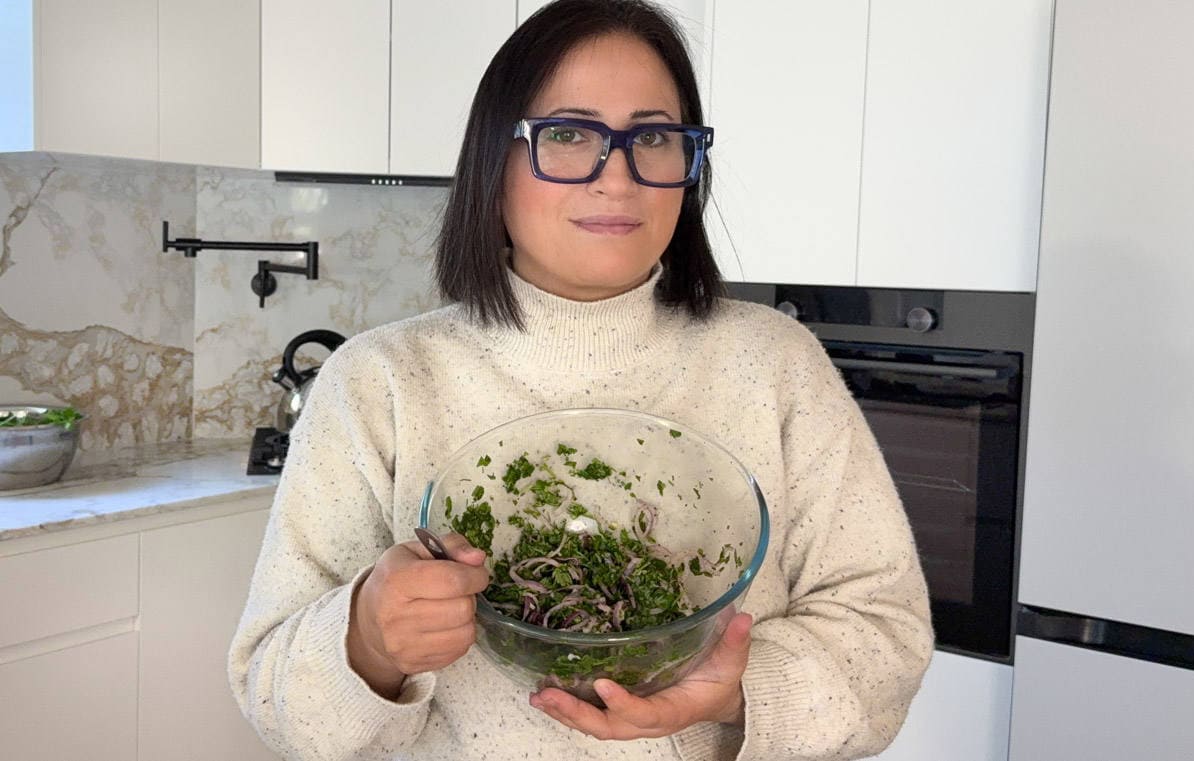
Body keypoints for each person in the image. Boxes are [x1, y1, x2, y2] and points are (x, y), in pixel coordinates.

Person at [227, 1, 933, 759]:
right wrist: (368, 640)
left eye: (653, 137)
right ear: (493, 161)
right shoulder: (379, 384)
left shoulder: (776, 363)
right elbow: (277, 703)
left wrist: (736, 691)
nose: (618, 178)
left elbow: (886, 637)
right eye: (568, 134)